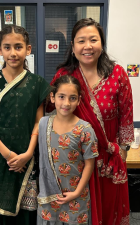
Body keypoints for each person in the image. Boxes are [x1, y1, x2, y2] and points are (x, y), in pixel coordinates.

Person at [47, 18, 134, 225]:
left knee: (106, 210)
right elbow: (50, 112)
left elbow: (126, 116)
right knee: (77, 212)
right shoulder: (64, 75)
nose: (87, 46)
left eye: (93, 40)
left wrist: (121, 151)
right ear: (73, 46)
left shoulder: (117, 75)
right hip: (74, 159)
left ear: (101, 44)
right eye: (81, 41)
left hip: (107, 159)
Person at [0, 25, 50, 225]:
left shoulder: (37, 83)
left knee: (26, 210)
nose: (12, 53)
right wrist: (7, 154)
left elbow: (39, 122)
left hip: (27, 155)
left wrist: (27, 154)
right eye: (7, 47)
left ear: (28, 49)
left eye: (18, 47)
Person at [37, 75, 99, 225]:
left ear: (78, 100)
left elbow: (89, 165)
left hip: (76, 195)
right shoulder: (44, 124)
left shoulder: (85, 130)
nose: (66, 103)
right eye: (61, 97)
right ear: (52, 97)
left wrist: (76, 193)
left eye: (72, 98)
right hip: (50, 194)